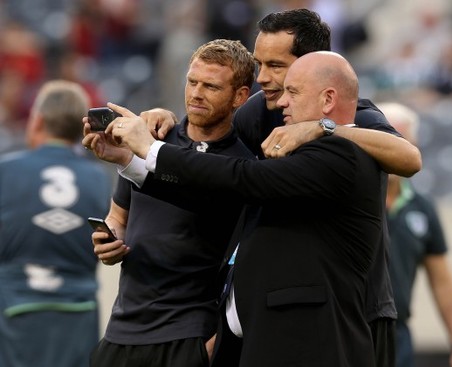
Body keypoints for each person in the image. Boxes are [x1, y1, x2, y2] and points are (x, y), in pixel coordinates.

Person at [141, 9, 422, 367]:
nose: (263, 78)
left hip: (355, 304)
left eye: (276, 65)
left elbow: (409, 159)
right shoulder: (260, 111)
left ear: (313, 66)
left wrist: (324, 128)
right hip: (281, 307)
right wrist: (168, 127)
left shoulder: (355, 115)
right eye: (259, 64)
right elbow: (218, 156)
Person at [104, 49, 383, 367]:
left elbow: (240, 178)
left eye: (292, 92)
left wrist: (152, 149)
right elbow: (221, 198)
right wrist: (132, 164)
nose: (281, 102)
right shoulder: (302, 155)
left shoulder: (338, 155)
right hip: (260, 339)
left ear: (328, 99)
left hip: (307, 343)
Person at [83, 39, 256, 367]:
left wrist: (210, 347)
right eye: (192, 82)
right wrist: (110, 238)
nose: (196, 93)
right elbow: (118, 216)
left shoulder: (242, 165)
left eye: (211, 86)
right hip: (121, 331)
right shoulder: (150, 140)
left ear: (240, 96)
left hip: (187, 335)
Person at [0, 80, 112, 367]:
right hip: (79, 312)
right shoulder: (98, 179)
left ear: (36, 121)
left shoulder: (6, 171)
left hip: (14, 312)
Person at [378, 102, 452, 367]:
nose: (394, 147)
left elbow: (441, 280)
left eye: (402, 139)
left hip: (397, 336)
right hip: (350, 330)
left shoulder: (422, 208)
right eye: (386, 137)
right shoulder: (347, 198)